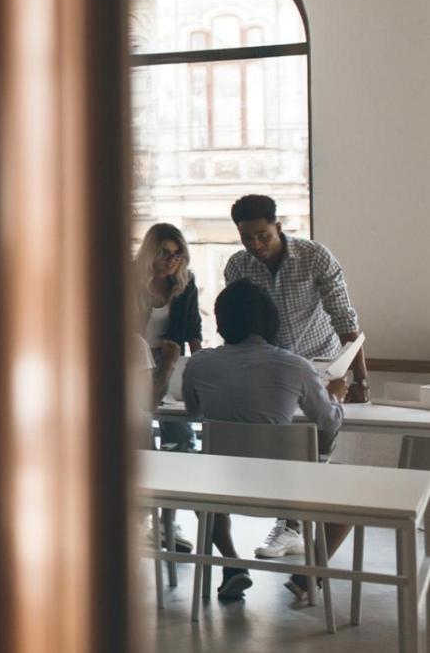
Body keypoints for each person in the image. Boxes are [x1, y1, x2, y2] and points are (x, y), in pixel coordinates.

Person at [182, 279, 346, 604]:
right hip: (286, 492)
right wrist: (336, 396)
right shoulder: (296, 366)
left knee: (202, 487)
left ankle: (231, 565)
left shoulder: (199, 363)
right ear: (272, 321)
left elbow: (193, 410)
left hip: (221, 486)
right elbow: (329, 422)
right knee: (352, 496)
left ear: (222, 321)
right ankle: (308, 574)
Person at [224, 193, 366, 559]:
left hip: (320, 364)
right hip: (269, 368)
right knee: (282, 444)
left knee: (318, 438)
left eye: (262, 236)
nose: (255, 245)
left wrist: (362, 380)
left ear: (278, 227)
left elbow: (345, 321)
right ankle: (290, 523)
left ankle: (295, 521)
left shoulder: (314, 256)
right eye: (246, 238)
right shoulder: (238, 266)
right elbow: (238, 322)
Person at [133, 223, 203, 452]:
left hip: (171, 354)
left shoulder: (185, 281)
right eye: (165, 253)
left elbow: (193, 328)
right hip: (136, 358)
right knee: (140, 418)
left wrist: (200, 365)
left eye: (177, 253)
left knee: (177, 428)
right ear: (151, 252)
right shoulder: (131, 277)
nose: (172, 259)